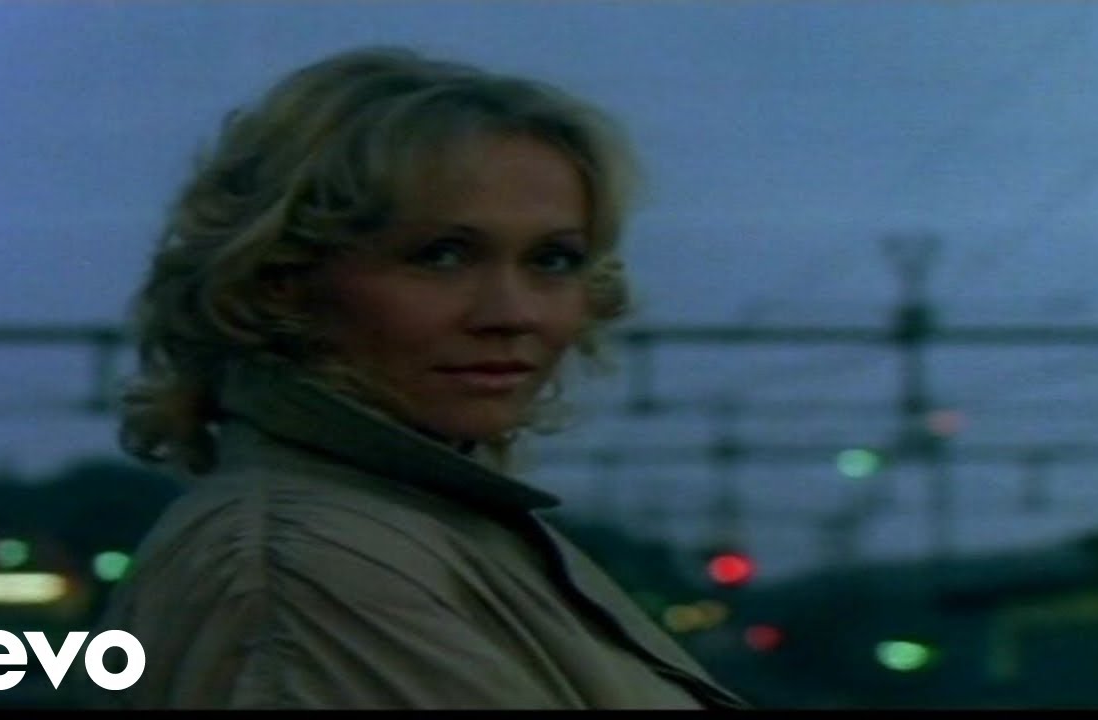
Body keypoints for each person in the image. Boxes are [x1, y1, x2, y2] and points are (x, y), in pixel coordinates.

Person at [87, 45, 750, 710]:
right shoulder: (312, 572)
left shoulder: (411, 533)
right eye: (442, 256)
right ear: (280, 278)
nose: (511, 314)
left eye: (552, 260)